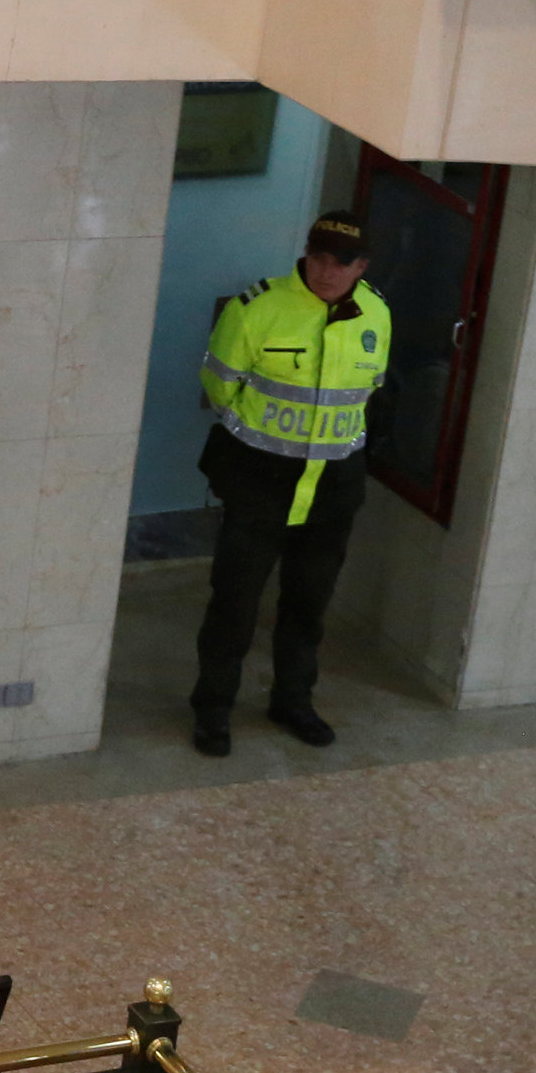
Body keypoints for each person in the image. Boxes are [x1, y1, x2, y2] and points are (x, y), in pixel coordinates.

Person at [190, 212, 390, 756]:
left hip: (332, 487)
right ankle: (212, 708)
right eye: (319, 256)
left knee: (308, 604)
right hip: (260, 479)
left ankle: (293, 701)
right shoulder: (257, 308)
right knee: (235, 603)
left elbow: (369, 389)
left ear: (361, 267)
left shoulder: (377, 313)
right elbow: (219, 383)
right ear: (306, 253)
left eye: (341, 262)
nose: (326, 271)